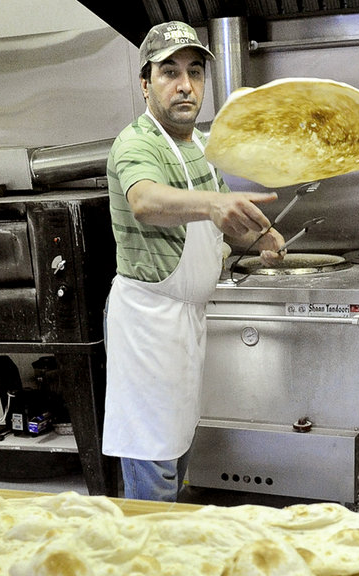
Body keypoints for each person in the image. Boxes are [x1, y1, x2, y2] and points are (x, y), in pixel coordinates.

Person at [102, 20, 284, 502]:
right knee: (152, 458)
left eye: (195, 72)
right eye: (169, 72)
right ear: (145, 83)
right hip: (147, 321)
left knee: (178, 447)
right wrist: (211, 206)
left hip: (186, 320)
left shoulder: (201, 145)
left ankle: (165, 555)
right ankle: (143, 560)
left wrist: (262, 232)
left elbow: (222, 211)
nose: (185, 85)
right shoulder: (137, 142)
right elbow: (145, 200)